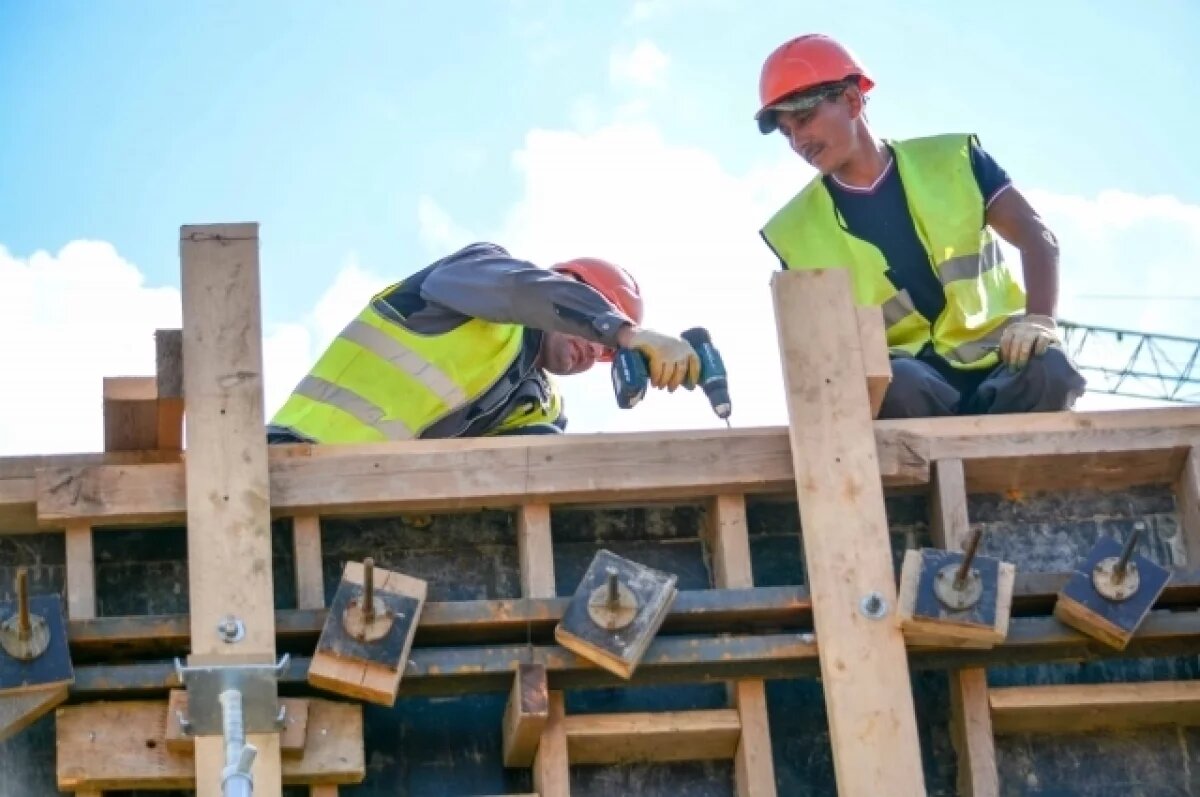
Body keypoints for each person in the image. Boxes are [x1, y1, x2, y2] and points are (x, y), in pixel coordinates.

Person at [754, 34, 1086, 418]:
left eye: (804, 118)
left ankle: (1013, 472)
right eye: (787, 132)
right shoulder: (795, 233)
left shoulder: (952, 162)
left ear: (851, 100)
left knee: (1050, 369)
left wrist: (1039, 320)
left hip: (999, 360)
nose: (798, 141)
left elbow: (1037, 236)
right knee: (899, 386)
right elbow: (823, 354)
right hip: (917, 386)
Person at [266, 242, 699, 443]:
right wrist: (628, 333)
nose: (595, 350)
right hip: (300, 455)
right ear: (566, 282)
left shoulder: (539, 403)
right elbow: (522, 290)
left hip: (369, 501)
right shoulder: (481, 277)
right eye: (596, 332)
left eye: (607, 355)